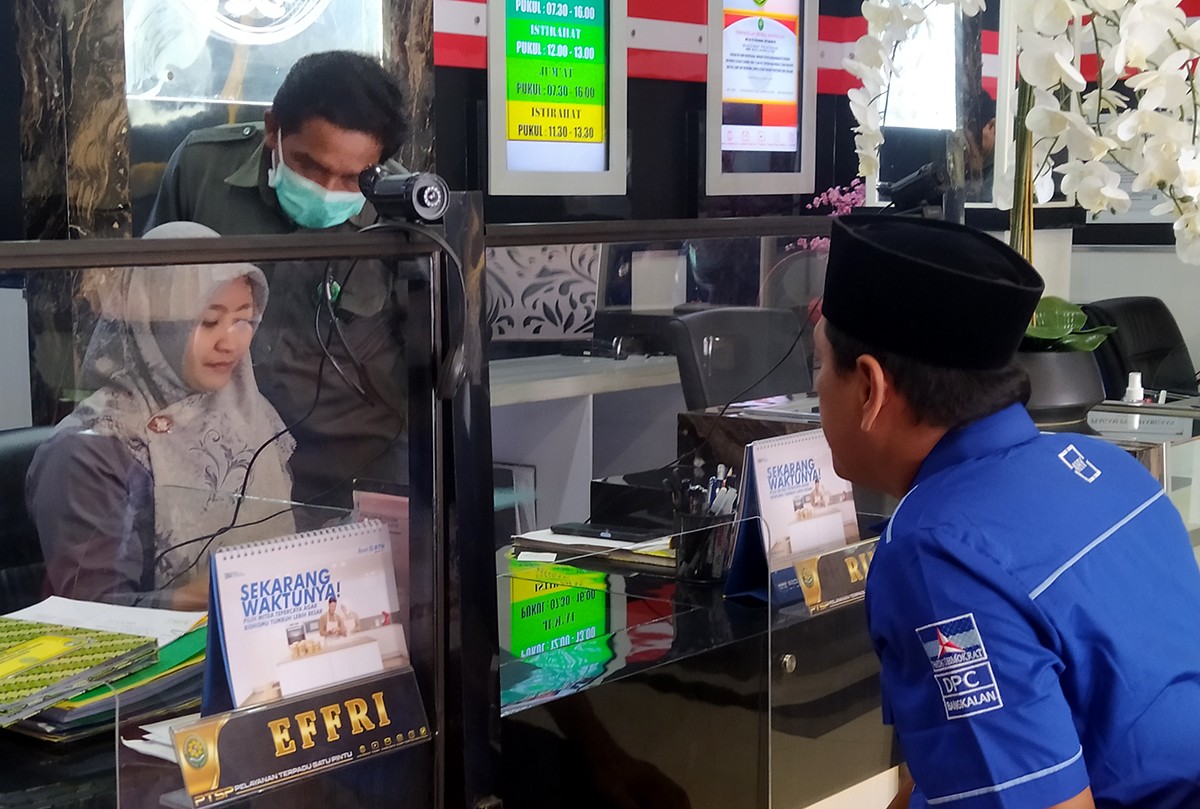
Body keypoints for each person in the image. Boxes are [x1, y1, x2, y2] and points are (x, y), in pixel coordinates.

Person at [812, 215, 1200, 809]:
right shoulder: (1111, 468)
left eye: (818, 366)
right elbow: (963, 754)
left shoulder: (937, 554)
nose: (816, 390)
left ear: (870, 387)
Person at [145, 50, 411, 511]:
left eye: (353, 178)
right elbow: (149, 310)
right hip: (218, 464)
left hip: (354, 470)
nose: (329, 190)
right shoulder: (201, 170)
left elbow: (431, 359)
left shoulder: (402, 211)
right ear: (273, 129)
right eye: (310, 166)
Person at [27, 222, 295, 607]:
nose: (231, 341)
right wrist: (206, 595)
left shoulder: (248, 413)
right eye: (208, 321)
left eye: (244, 319)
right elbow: (94, 621)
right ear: (154, 322)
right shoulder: (90, 451)